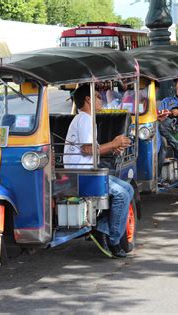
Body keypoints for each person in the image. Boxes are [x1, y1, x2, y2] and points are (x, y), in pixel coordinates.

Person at [63, 84, 134, 258]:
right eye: (98, 96)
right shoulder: (85, 119)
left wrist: (112, 148)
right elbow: (87, 150)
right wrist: (113, 144)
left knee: (129, 189)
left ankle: (102, 226)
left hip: (88, 172)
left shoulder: (84, 119)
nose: (101, 99)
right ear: (88, 99)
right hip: (83, 175)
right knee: (122, 195)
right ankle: (114, 241)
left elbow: (91, 149)